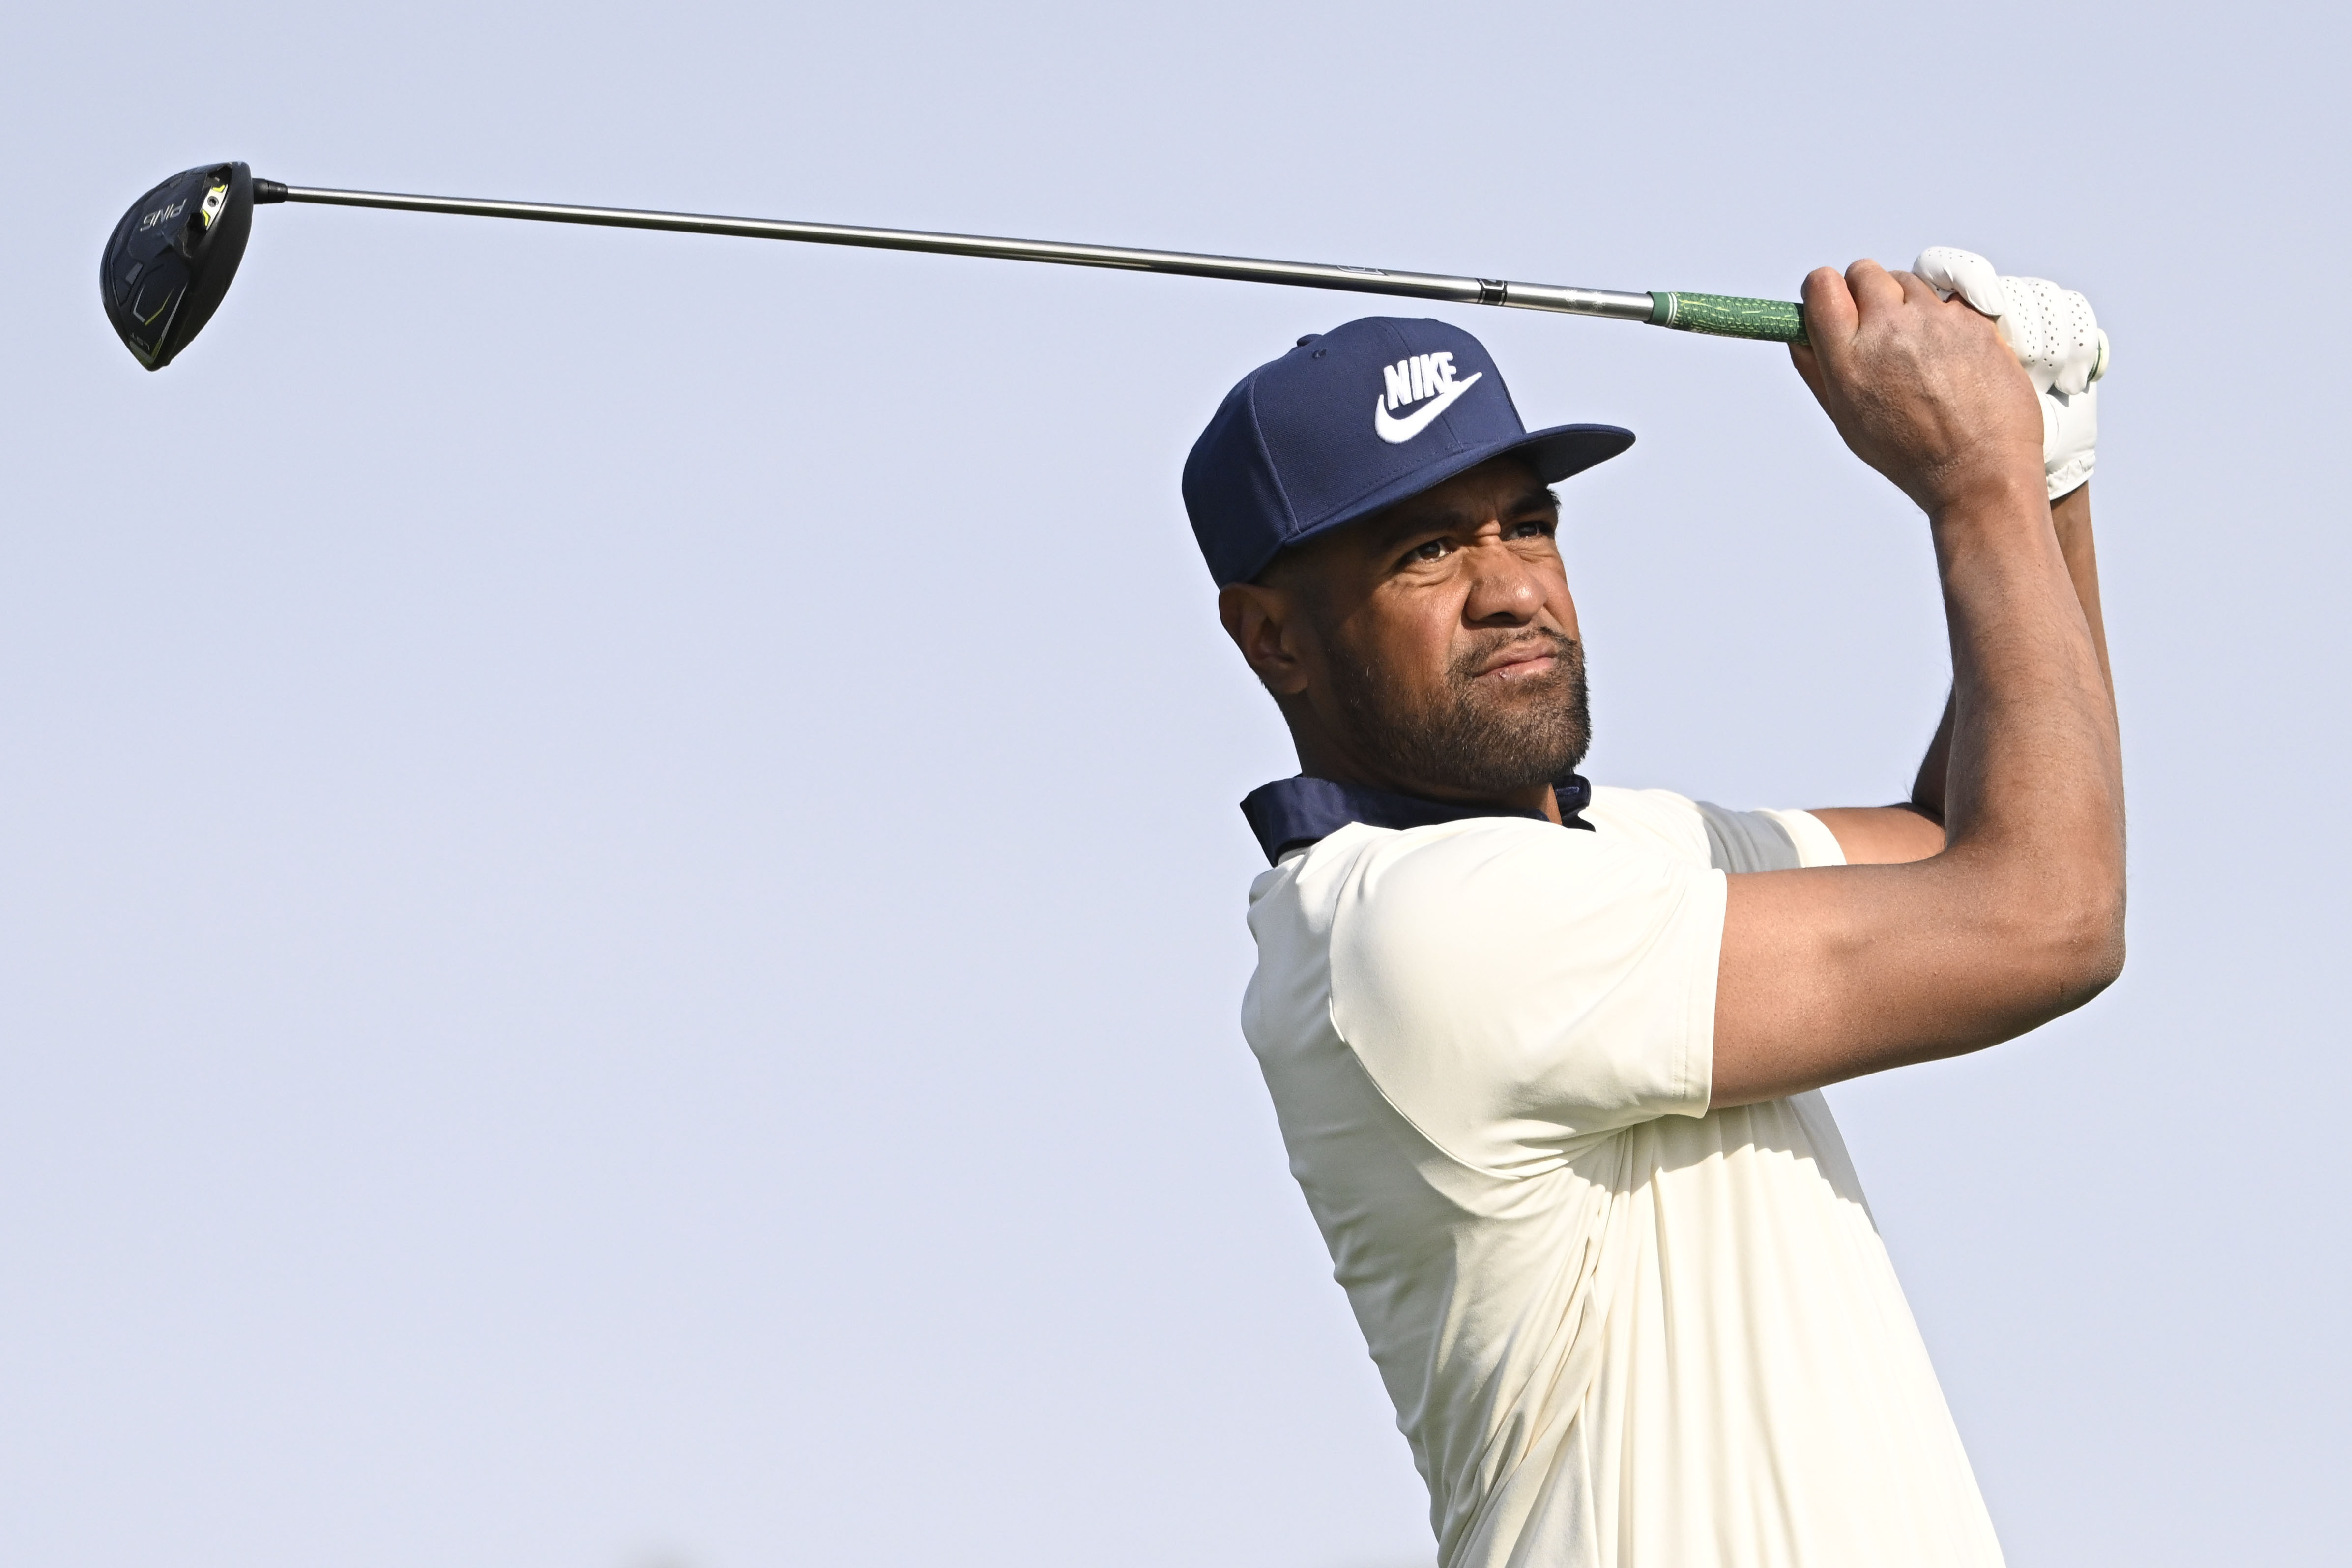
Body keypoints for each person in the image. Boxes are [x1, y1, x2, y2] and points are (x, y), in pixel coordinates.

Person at [1181, 251, 2122, 1568]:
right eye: (1426, 551)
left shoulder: (1607, 856)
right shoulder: (1415, 926)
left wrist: (2044, 481)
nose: (1513, 587)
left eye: (1528, 524)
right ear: (1273, 638)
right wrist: (1978, 481)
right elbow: (2042, 917)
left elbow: (1966, 830)